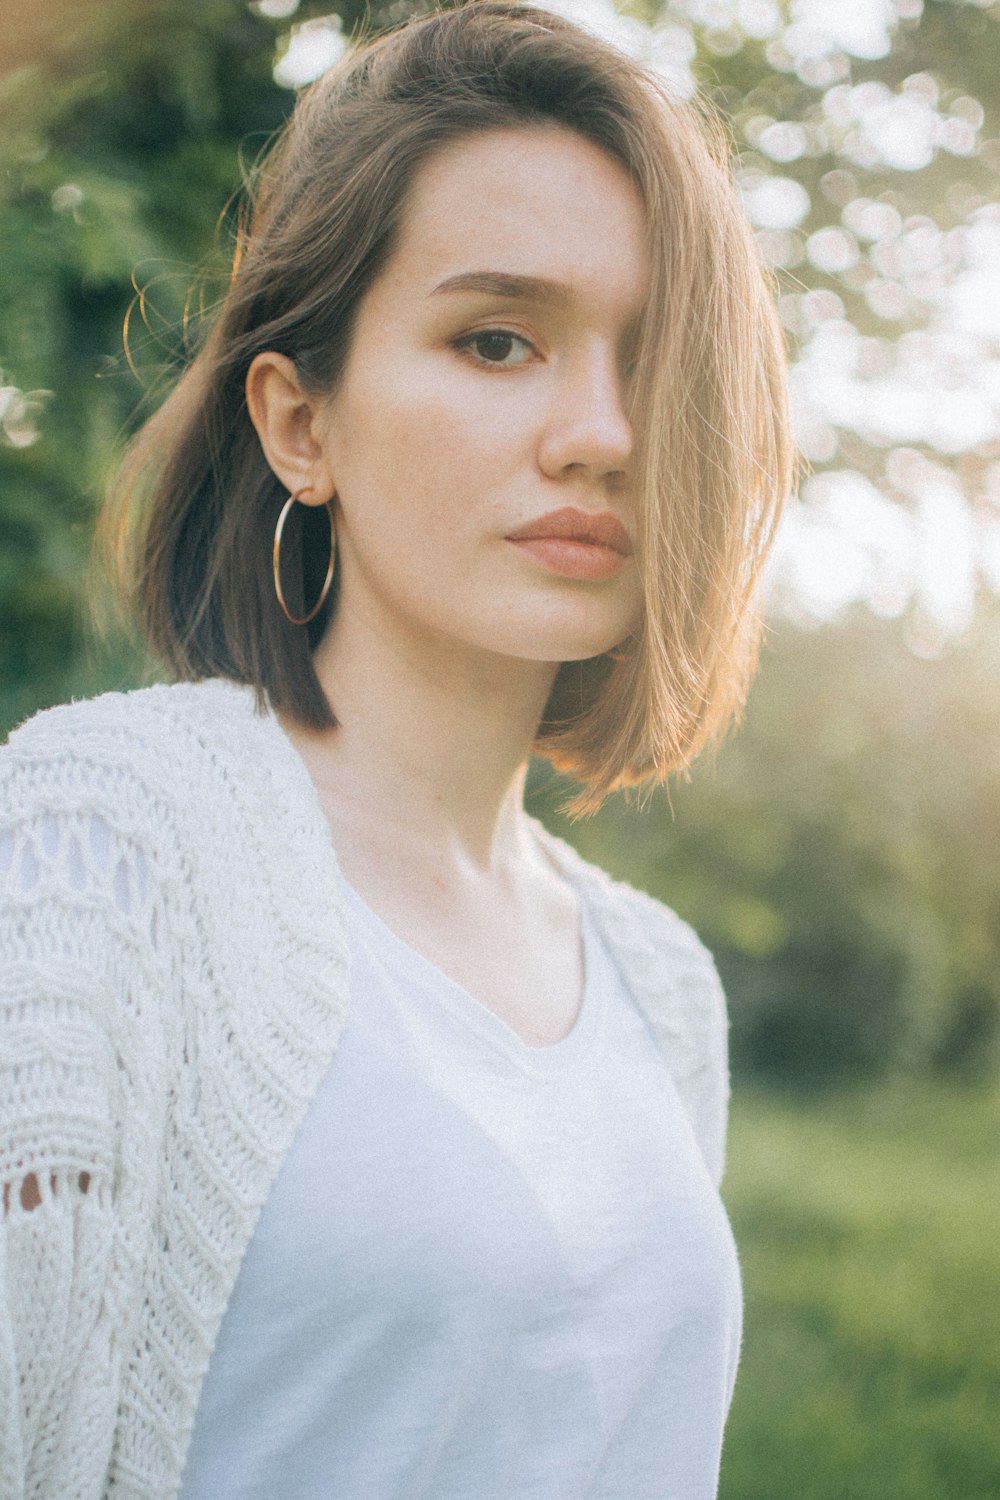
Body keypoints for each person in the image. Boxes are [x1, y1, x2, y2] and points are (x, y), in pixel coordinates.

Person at [0, 3, 791, 1496]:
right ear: (302, 423)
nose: (603, 431)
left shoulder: (662, 984)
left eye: (657, 358)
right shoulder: (97, 853)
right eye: (498, 341)